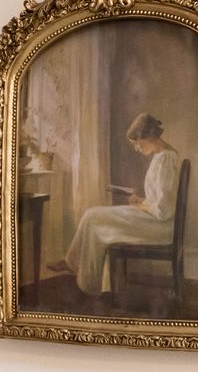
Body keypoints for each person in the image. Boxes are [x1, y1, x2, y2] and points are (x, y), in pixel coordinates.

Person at [57, 112, 181, 298]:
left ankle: (78, 269)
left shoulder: (165, 159)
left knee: (93, 215)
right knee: (94, 217)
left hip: (160, 227)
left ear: (150, 137)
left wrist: (140, 206)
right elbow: (159, 200)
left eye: (138, 143)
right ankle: (86, 277)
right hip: (153, 219)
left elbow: (164, 211)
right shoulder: (160, 156)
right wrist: (141, 201)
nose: (137, 149)